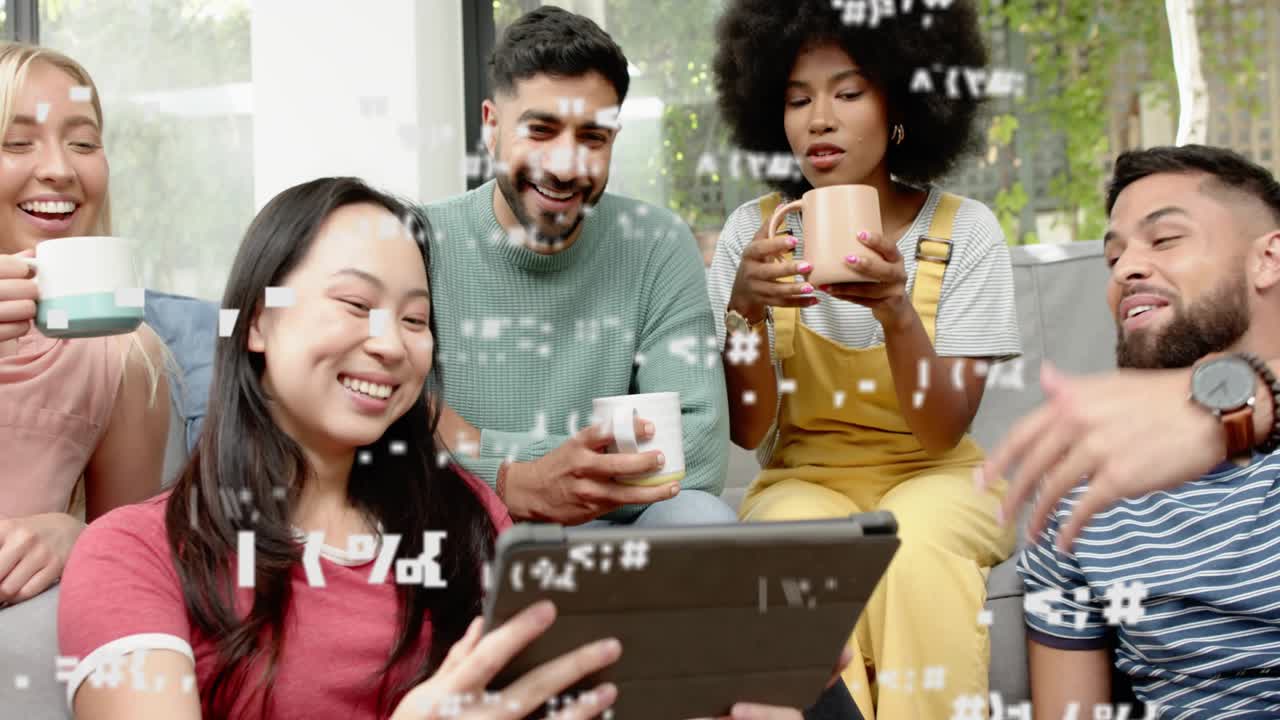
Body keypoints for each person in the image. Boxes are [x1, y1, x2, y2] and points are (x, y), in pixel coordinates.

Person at [58, 176, 834, 720]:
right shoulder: (134, 555)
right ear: (258, 321)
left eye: (417, 319)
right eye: (356, 304)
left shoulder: (468, 523)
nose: (389, 345)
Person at [706, 1, 1021, 717]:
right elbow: (749, 433)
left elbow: (942, 431)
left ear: (903, 105)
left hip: (939, 474)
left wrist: (895, 309)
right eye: (796, 99)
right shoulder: (752, 235)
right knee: (790, 544)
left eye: (848, 93)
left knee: (915, 551)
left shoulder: (963, 232)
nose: (818, 119)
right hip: (803, 477)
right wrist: (746, 308)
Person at [978, 145, 1280, 718]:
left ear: (1268, 258)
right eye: (1112, 256)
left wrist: (1240, 404)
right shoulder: (1079, 483)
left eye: (1164, 239)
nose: (1125, 269)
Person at [425, 6, 736, 528]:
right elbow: (397, 432)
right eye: (541, 130)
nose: (566, 165)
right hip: (459, 527)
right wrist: (513, 483)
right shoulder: (421, 242)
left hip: (608, 539)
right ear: (492, 127)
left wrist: (492, 455)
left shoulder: (658, 244)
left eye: (592, 137)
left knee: (700, 517)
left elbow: (697, 455)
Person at [0, 41, 169, 709]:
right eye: (18, 143)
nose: (59, 170)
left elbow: (130, 570)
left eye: (83, 142)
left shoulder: (126, 355)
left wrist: (78, 536)